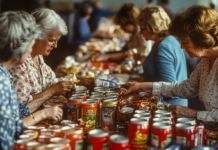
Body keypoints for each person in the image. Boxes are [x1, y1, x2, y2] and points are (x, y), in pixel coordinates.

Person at [123, 5, 218, 121]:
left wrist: (194, 114)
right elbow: (186, 88)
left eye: (185, 42)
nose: (182, 46)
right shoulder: (206, 60)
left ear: (201, 38)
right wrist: (140, 86)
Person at [0, 11, 63, 150]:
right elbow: (7, 136)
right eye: (31, 41)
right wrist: (43, 113)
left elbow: (16, 112)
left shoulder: (4, 74)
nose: (32, 46)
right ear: (18, 45)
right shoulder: (2, 82)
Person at [9, 8, 73, 118]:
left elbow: (50, 82)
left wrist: (81, 81)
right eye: (52, 40)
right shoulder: (19, 62)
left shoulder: (38, 57)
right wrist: (52, 90)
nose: (55, 46)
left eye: (57, 41)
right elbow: (20, 109)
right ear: (37, 36)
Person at [135, 6, 187, 106]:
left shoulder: (164, 46)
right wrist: (144, 79)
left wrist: (140, 86)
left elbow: (169, 86)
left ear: (152, 27)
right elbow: (159, 76)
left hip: (170, 105)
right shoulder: (165, 41)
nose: (140, 32)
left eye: (142, 28)